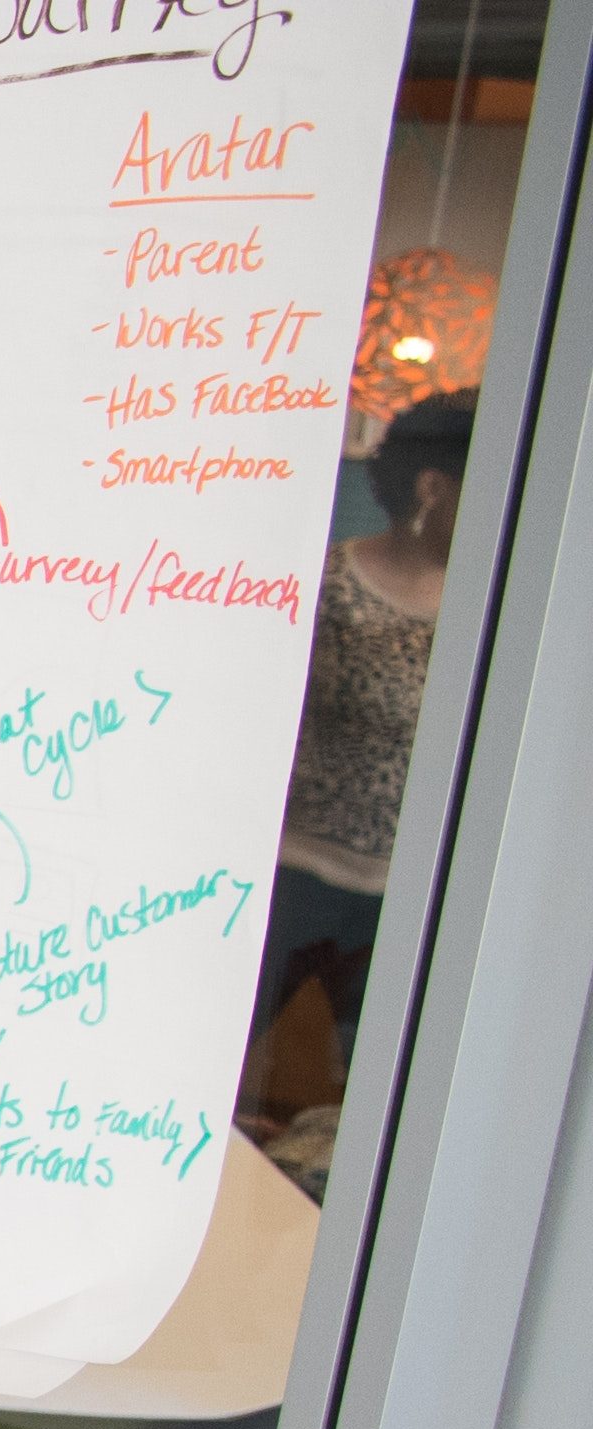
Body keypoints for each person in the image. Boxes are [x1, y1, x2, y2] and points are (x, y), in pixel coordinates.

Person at [265, 387, 467, 1116]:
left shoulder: (486, 607)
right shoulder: (325, 582)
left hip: (412, 891)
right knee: (241, 1063)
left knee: (377, 1094)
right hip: (298, 877)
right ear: (432, 488)